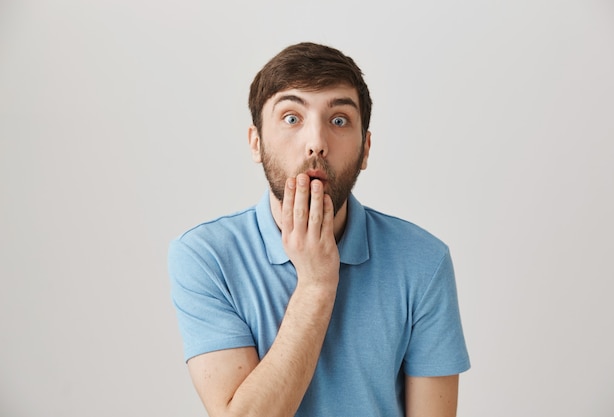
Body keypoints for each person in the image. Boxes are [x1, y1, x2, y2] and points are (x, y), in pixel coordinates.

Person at [168, 42, 470, 417]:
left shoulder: (425, 261)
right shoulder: (205, 257)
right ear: (256, 142)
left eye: (339, 120)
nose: (317, 143)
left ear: (366, 149)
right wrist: (315, 284)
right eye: (292, 118)